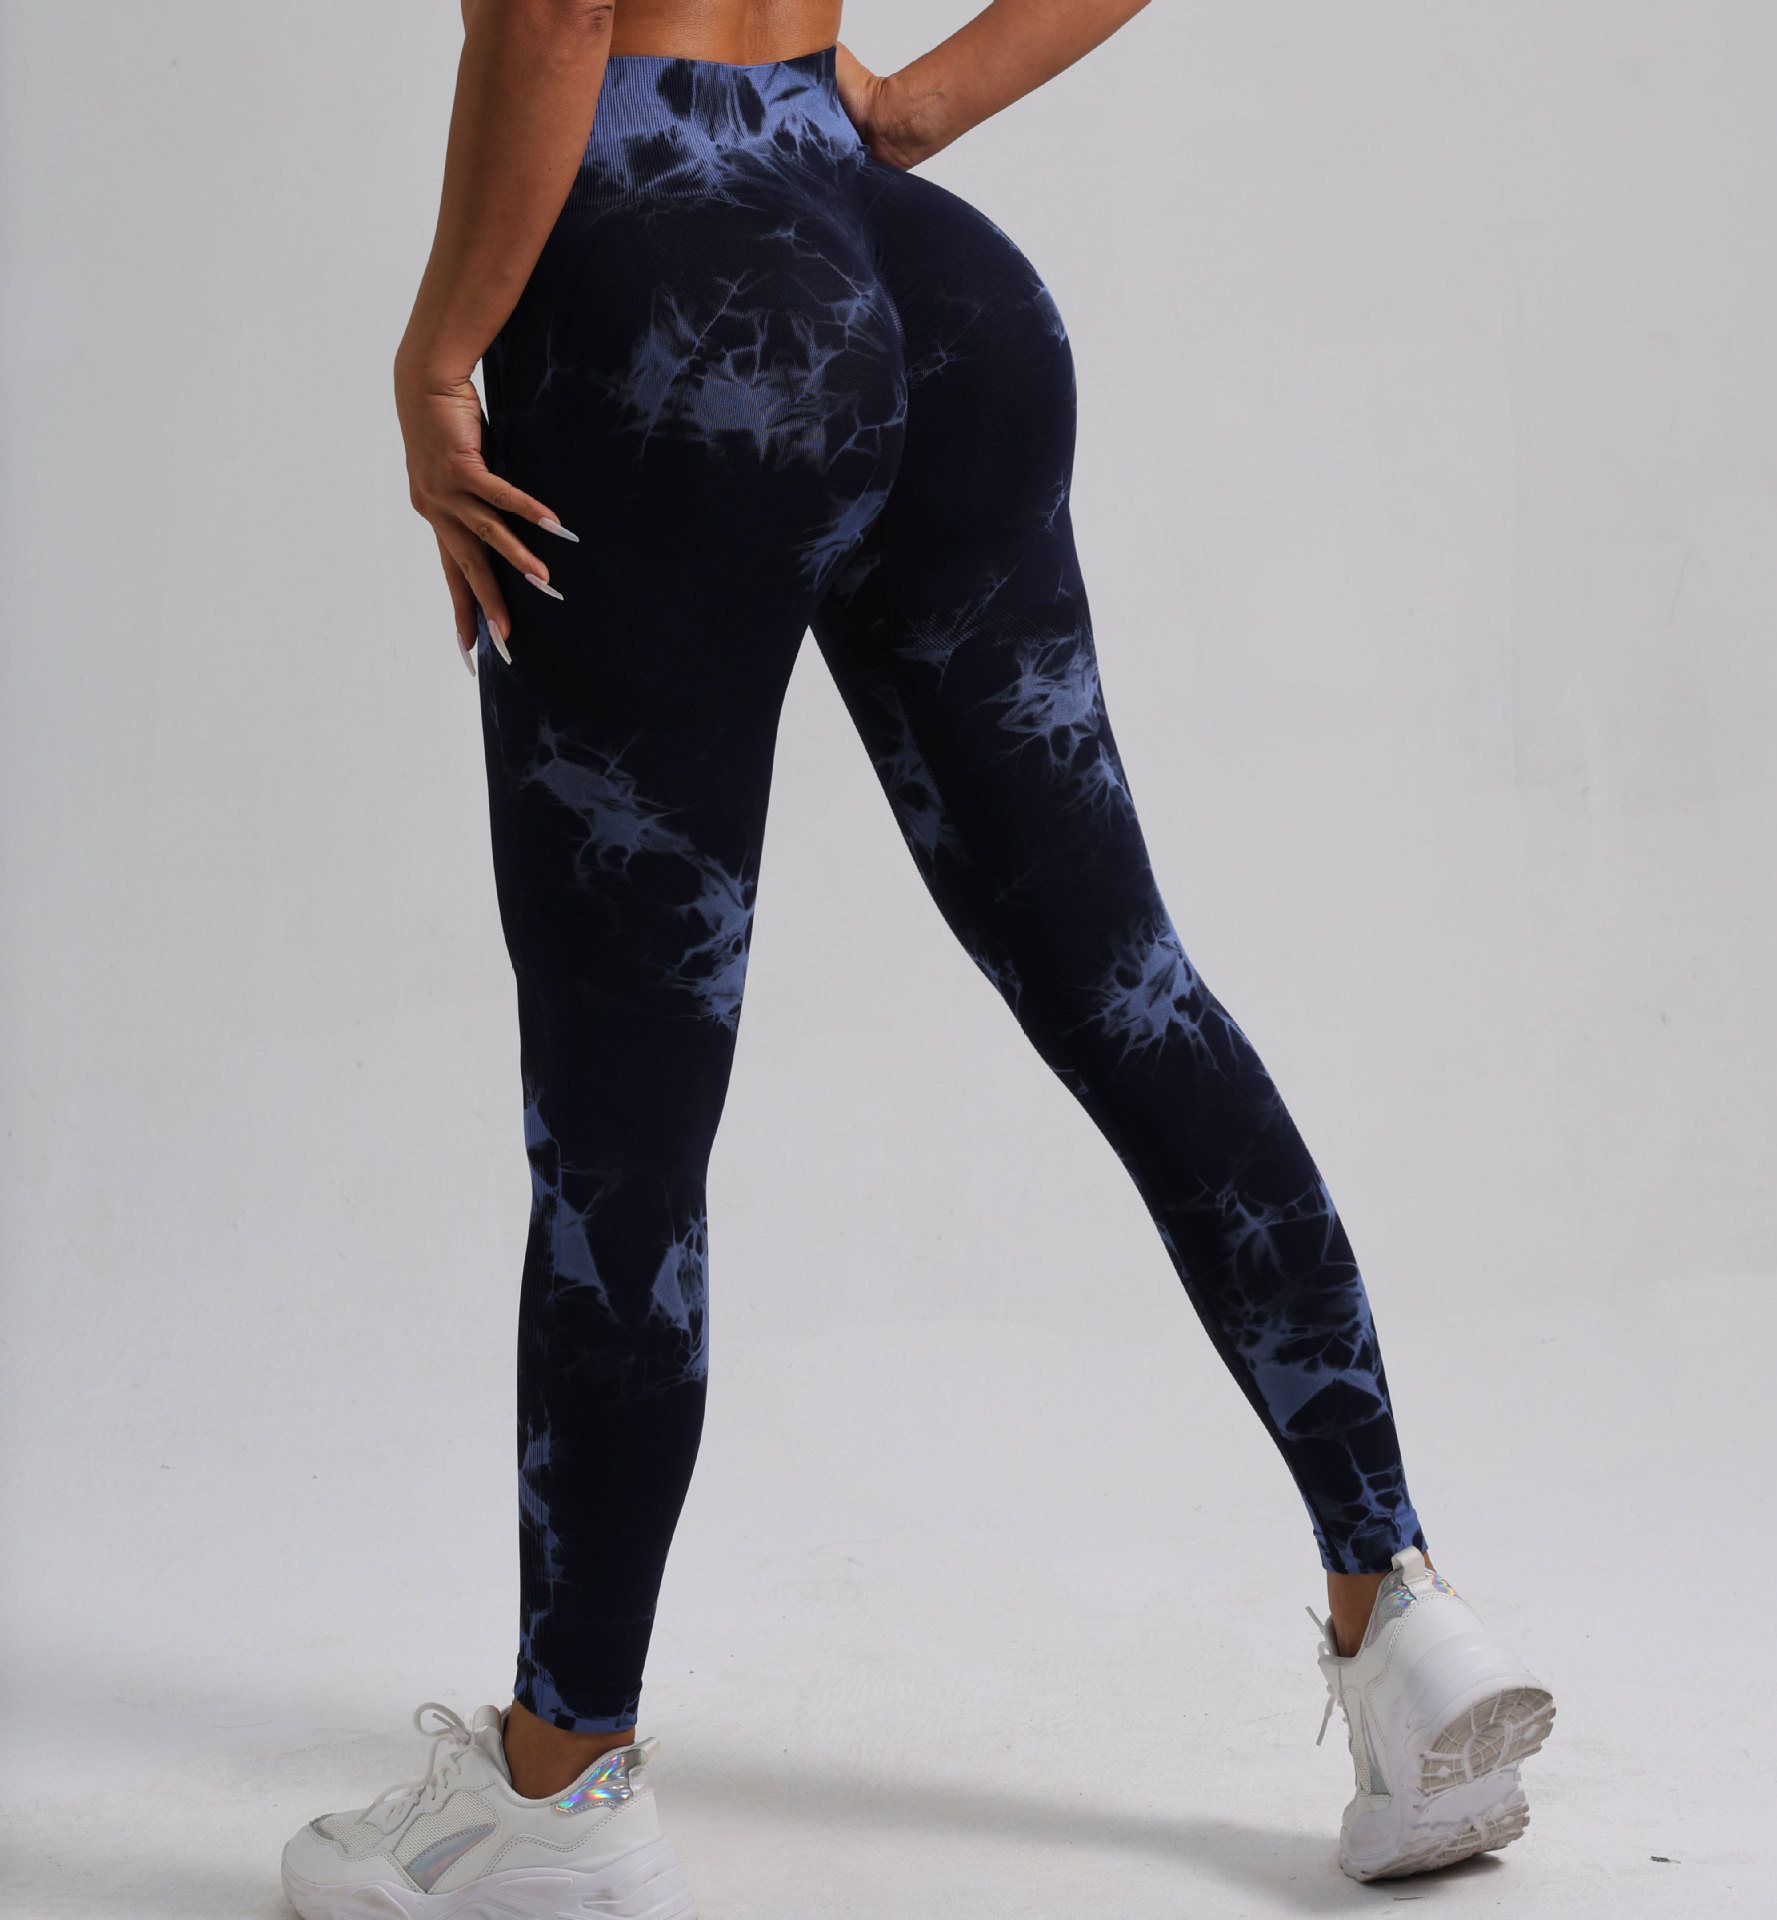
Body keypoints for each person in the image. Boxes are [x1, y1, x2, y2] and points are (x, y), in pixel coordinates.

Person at [280, 0, 1556, 1910]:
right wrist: (921, 104)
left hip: (658, 299)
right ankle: (1398, 1607)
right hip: (921, 281)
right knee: (1126, 984)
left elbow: (558, 12)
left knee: (625, 1115)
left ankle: (559, 1787)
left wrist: (439, 351)